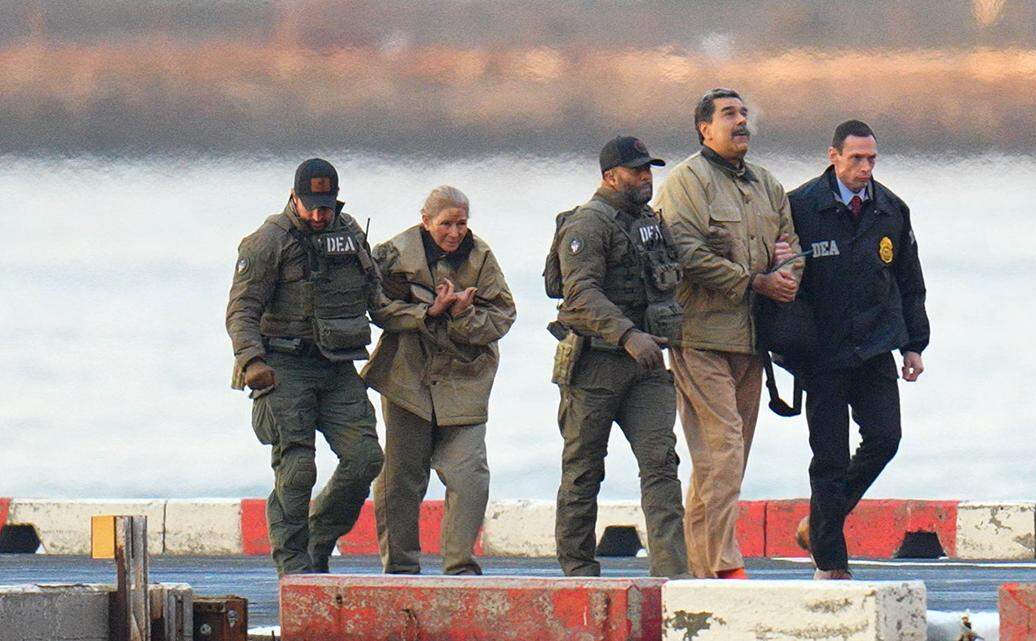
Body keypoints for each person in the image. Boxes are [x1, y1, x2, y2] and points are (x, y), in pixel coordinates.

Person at [654, 88, 802, 579]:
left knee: (725, 461)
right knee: (723, 451)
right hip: (700, 337)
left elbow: (791, 246)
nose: (741, 121)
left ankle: (699, 570)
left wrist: (786, 277)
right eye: (728, 114)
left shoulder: (767, 185)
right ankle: (723, 566)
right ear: (704, 129)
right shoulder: (686, 182)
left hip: (752, 340)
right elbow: (685, 251)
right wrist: (753, 280)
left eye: (743, 113)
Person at [226, 158, 385, 576]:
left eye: (326, 206)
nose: (319, 215)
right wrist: (251, 360)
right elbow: (242, 310)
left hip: (337, 364)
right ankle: (294, 567)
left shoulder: (349, 234)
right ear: (294, 198)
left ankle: (320, 535)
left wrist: (424, 313)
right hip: (284, 365)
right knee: (297, 468)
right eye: (312, 206)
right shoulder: (267, 242)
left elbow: (376, 295)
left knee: (366, 457)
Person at [787, 120, 930, 579]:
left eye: (872, 159)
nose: (865, 168)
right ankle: (832, 565)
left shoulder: (891, 209)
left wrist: (913, 345)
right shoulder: (800, 207)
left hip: (874, 347)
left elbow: (909, 282)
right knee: (829, 458)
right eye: (856, 159)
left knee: (886, 438)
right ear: (834, 156)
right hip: (823, 353)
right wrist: (789, 347)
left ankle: (820, 524)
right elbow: (786, 283)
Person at [549, 135, 689, 578]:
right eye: (636, 170)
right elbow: (580, 293)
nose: (646, 177)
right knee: (583, 470)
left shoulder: (649, 222)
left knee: (661, 465)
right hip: (597, 365)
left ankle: (671, 576)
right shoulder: (588, 225)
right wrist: (628, 335)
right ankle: (578, 572)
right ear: (611, 176)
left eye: (649, 169)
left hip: (647, 368)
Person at [361, 185, 516, 575]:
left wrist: (463, 314)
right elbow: (376, 307)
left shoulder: (481, 258)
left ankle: (459, 567)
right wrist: (427, 312)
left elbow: (503, 316)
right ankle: (400, 568)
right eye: (446, 224)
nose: (455, 232)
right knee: (400, 479)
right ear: (426, 221)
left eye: (461, 223)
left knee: (470, 476)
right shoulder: (393, 254)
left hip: (464, 382)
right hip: (407, 381)